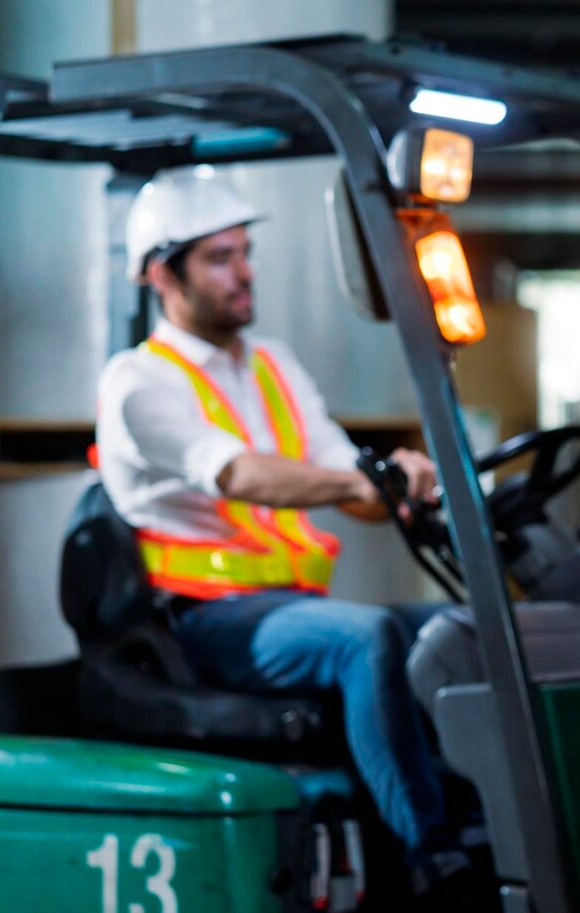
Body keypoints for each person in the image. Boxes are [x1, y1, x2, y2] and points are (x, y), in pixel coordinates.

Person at [96, 167, 448, 860]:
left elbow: (353, 488)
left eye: (245, 252)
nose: (244, 272)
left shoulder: (274, 365)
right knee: (366, 636)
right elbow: (240, 474)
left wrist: (402, 487)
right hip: (201, 619)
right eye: (219, 258)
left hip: (287, 607)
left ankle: (491, 823)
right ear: (164, 275)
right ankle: (430, 854)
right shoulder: (139, 382)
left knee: (450, 626)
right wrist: (368, 480)